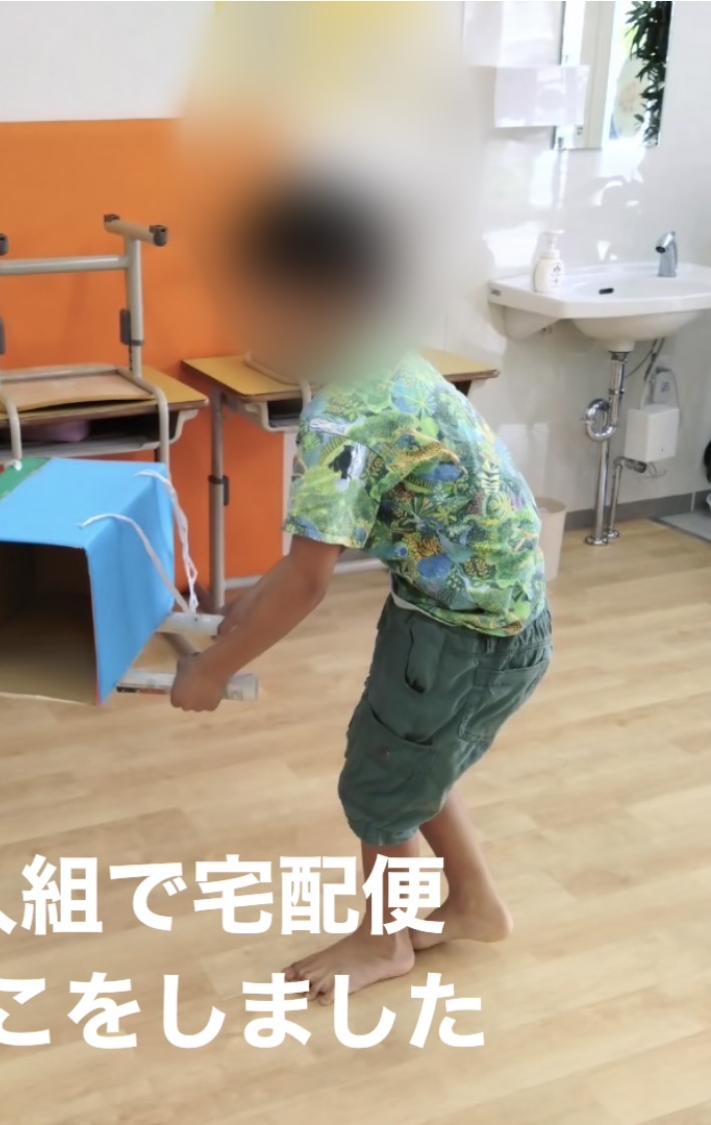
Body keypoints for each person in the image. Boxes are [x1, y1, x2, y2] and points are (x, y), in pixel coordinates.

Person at [170, 179, 552, 1000]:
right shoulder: (384, 358)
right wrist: (239, 614)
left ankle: (382, 941)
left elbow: (307, 581)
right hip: (492, 614)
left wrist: (210, 669)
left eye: (259, 305)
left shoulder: (345, 413)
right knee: (416, 760)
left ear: (319, 300)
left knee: (380, 781)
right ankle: (473, 903)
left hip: (458, 633)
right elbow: (297, 568)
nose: (248, 328)